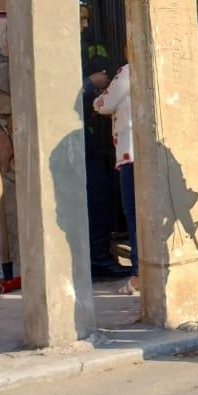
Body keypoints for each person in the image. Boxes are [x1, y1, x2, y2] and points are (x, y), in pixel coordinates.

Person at [92, 63, 139, 294]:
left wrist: (96, 94)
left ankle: (139, 275)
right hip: (155, 151)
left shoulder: (129, 70)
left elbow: (103, 104)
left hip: (131, 153)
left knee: (134, 215)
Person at [82, 55, 130, 280]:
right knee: (97, 201)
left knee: (104, 199)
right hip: (83, 146)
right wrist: (90, 84)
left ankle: (101, 254)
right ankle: (97, 258)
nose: (83, 21)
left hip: (102, 147)